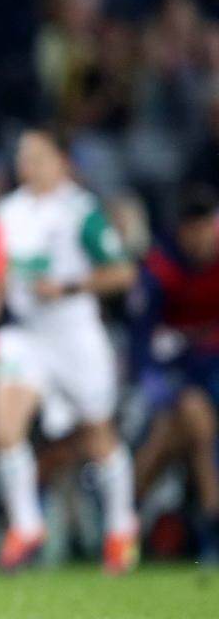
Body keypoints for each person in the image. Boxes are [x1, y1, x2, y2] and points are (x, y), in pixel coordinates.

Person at [0, 128, 138, 573]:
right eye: (24, 157)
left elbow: (122, 273)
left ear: (61, 161)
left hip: (75, 335)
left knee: (97, 435)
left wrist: (68, 286)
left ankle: (121, 529)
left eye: (39, 157)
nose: (28, 166)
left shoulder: (80, 211)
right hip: (27, 335)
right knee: (3, 429)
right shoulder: (9, 210)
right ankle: (26, 526)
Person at [130, 186, 219, 560]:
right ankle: (212, 527)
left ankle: (123, 518)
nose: (201, 239)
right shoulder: (160, 268)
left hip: (212, 366)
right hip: (176, 373)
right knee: (195, 426)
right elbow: (140, 339)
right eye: (194, 230)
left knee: (170, 441)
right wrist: (151, 379)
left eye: (208, 228)